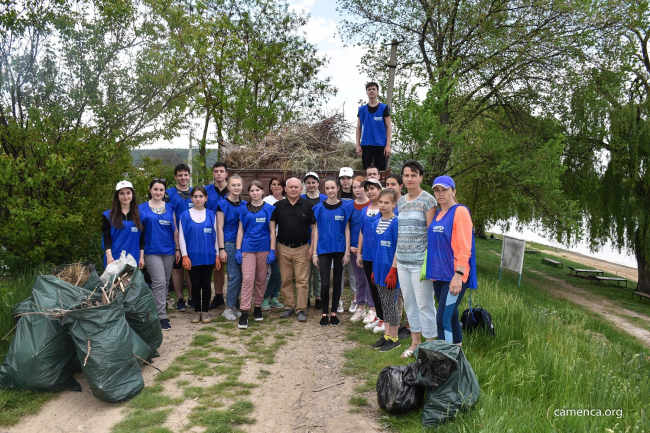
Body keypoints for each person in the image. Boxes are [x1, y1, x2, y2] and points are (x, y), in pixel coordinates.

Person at [426, 176, 477, 345]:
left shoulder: (460, 212)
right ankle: (456, 354)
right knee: (452, 317)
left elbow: (465, 248)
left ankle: (445, 358)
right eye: (437, 190)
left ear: (454, 191)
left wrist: (458, 275)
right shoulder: (438, 214)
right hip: (439, 274)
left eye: (445, 190)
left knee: (443, 319)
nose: (440, 193)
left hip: (454, 274)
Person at [395, 160, 438, 359]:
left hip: (420, 263)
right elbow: (400, 233)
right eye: (406, 175)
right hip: (402, 262)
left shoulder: (428, 201)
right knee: (410, 305)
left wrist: (430, 264)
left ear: (421, 177)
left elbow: (431, 235)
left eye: (414, 175)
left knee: (425, 305)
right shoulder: (401, 202)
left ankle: (430, 346)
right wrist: (395, 262)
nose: (410, 179)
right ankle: (415, 343)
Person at [270, 178, 316, 323]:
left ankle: (301, 309)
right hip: (283, 247)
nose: (293, 189)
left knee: (302, 280)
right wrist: (273, 248)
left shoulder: (308, 206)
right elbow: (272, 228)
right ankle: (288, 306)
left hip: (302, 248)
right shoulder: (278, 206)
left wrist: (312, 247)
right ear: (286, 189)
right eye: (291, 187)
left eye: (296, 187)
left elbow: (314, 228)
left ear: (301, 189)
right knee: (286, 279)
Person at [139, 178, 180, 331]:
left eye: (161, 190)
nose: (158, 192)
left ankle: (158, 309)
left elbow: (175, 230)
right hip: (151, 250)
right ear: (150, 190)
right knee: (158, 281)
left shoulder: (170, 207)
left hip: (168, 250)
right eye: (155, 189)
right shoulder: (141, 208)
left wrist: (177, 248)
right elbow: (138, 232)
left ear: (164, 192)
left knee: (165, 282)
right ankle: (161, 316)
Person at [312, 178, 352, 326]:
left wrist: (347, 252)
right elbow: (316, 231)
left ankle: (334, 313)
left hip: (340, 249)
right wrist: (315, 253)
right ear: (324, 189)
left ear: (338, 188)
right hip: (324, 249)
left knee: (337, 281)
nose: (330, 191)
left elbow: (347, 230)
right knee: (324, 283)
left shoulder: (345, 207)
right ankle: (324, 313)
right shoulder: (318, 208)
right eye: (327, 188)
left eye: (333, 188)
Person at [236, 181, 276, 330]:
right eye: (252, 190)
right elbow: (240, 230)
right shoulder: (243, 209)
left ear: (262, 192)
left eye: (257, 190)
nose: (255, 193)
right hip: (248, 248)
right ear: (249, 193)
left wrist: (272, 250)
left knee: (260, 280)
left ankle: (258, 307)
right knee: (247, 279)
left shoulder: (269, 209)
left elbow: (272, 231)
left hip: (264, 248)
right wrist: (238, 249)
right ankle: (244, 311)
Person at [179, 186, 220, 324]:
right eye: (195, 196)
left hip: (208, 255)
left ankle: (205, 311)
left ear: (206, 198)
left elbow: (216, 236)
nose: (198, 199)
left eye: (201, 196)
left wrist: (217, 254)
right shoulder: (185, 215)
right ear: (191, 198)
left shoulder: (212, 214)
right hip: (192, 256)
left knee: (206, 284)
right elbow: (181, 236)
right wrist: (184, 256)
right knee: (195, 284)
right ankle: (197, 311)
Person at [370, 189, 401, 352]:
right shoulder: (376, 223)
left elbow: (398, 248)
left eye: (387, 202)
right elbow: (375, 248)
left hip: (390, 270)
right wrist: (374, 270)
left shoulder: (396, 223)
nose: (382, 205)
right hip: (379, 268)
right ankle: (387, 335)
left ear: (394, 204)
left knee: (391, 304)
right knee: (384, 303)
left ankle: (394, 338)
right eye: (381, 202)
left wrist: (393, 270)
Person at [217, 175, 246, 321]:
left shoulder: (245, 204)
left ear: (242, 187)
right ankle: (227, 308)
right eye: (233, 185)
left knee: (242, 276)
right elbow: (219, 228)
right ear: (228, 187)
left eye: (238, 185)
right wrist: (221, 249)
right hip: (230, 243)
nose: (236, 187)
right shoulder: (222, 204)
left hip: (244, 244)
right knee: (234, 276)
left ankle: (234, 305)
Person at [356, 178, 383, 332]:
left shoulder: (385, 208)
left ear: (380, 189)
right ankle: (378, 317)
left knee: (382, 288)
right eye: (367, 189)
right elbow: (362, 232)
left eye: (372, 188)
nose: (369, 192)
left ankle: (386, 320)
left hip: (381, 255)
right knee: (373, 288)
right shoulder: (364, 210)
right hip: (367, 254)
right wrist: (359, 253)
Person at [166, 164, 193, 312]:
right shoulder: (168, 194)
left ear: (189, 176)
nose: (183, 177)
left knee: (189, 267)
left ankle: (192, 297)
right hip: (174, 236)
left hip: (192, 236)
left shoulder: (195, 193)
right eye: (180, 175)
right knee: (177, 268)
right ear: (175, 177)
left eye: (186, 175)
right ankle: (180, 299)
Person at [349, 176, 375, 322]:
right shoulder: (349, 206)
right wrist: (350, 247)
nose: (357, 190)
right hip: (354, 250)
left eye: (360, 187)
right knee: (359, 280)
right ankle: (360, 307)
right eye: (354, 187)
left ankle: (372, 309)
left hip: (370, 250)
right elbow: (346, 227)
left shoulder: (372, 205)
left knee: (370, 279)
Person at [102, 180, 145, 269]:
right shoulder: (108, 215)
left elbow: (142, 239)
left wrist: (141, 257)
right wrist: (109, 256)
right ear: (117, 196)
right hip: (114, 259)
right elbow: (107, 238)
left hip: (133, 259)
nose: (125, 196)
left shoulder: (141, 216)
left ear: (132, 195)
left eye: (128, 193)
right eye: (122, 193)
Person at [206, 162, 229, 310]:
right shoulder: (206, 191)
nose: (219, 174)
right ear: (213, 174)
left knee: (233, 267)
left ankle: (233, 296)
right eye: (216, 171)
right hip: (211, 233)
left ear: (227, 173)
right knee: (217, 265)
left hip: (231, 232)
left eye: (221, 171)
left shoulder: (233, 189)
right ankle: (218, 295)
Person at [301, 172, 326, 309]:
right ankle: (306, 297)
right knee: (305, 272)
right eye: (308, 183)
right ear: (305, 184)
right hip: (305, 239)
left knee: (318, 271)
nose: (311, 185)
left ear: (318, 183)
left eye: (313, 182)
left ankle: (318, 297)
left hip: (321, 240)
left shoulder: (325, 199)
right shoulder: (301, 199)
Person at [261, 177, 286, 311]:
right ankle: (265, 297)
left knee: (282, 271)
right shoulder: (266, 201)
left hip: (284, 239)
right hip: (271, 238)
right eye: (274, 184)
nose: (276, 186)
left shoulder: (287, 201)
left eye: (279, 184)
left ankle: (274, 296)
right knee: (274, 271)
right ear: (270, 187)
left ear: (283, 187)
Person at [356, 82, 392, 171]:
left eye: (373, 89)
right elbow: (358, 128)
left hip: (380, 145)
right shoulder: (362, 110)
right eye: (369, 89)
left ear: (377, 91)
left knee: (381, 171)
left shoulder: (384, 108)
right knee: (366, 171)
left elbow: (389, 127)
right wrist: (358, 145)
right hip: (366, 144)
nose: (371, 91)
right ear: (366, 92)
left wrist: (388, 145)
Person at [338, 167, 357, 313]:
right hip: (339, 240)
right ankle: (338, 300)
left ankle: (355, 300)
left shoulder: (357, 197)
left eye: (348, 178)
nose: (345, 181)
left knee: (354, 273)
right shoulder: (335, 197)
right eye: (343, 178)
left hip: (354, 241)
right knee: (338, 273)